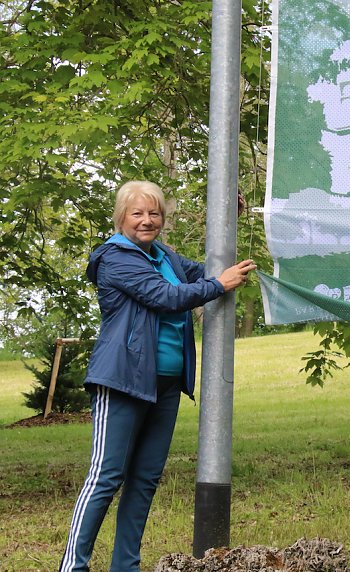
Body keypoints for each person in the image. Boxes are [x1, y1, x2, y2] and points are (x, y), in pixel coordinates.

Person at [60, 181, 256, 572]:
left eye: (154, 214)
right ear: (121, 218)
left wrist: (227, 224)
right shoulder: (116, 258)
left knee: (145, 480)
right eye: (137, 213)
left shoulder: (162, 254)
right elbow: (167, 296)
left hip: (165, 386)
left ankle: (125, 567)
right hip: (122, 381)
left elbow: (209, 274)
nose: (147, 221)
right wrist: (218, 285)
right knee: (106, 476)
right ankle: (73, 566)